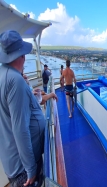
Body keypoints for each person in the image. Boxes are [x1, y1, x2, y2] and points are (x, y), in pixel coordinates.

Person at [0, 30, 44, 186]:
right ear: (22, 55)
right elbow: (20, 130)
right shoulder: (15, 81)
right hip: (23, 170)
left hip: (13, 163)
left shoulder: (4, 74)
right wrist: (31, 169)